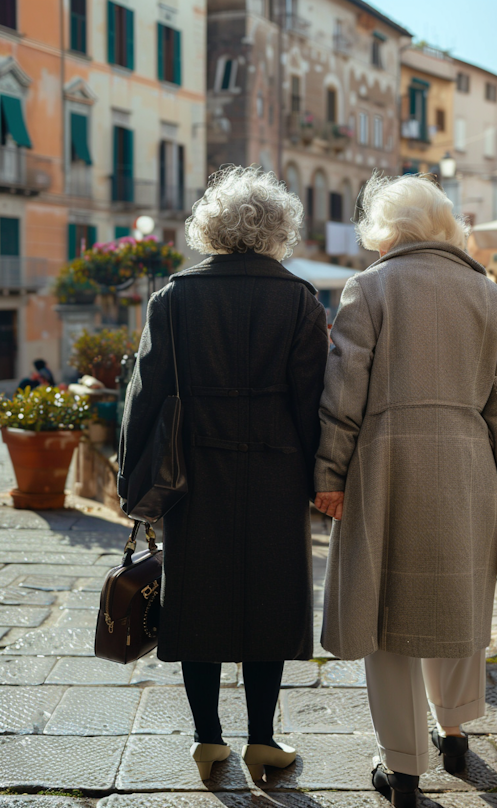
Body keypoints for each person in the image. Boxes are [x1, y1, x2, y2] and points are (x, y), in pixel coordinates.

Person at [313, 173, 497, 807]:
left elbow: (342, 392)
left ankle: (402, 766)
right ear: (445, 227)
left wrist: (329, 475)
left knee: (385, 615)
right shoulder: (487, 295)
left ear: (385, 232)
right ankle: (455, 727)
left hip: (383, 466)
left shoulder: (370, 287)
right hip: (467, 465)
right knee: (454, 599)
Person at [118, 166, 328, 783]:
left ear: (211, 226)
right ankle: (262, 739)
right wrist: (323, 479)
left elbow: (143, 396)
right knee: (273, 597)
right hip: (278, 471)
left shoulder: (174, 297)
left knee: (197, 598)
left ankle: (208, 741)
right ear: (278, 229)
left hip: (192, 472)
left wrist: (135, 484)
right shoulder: (298, 298)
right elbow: (313, 398)